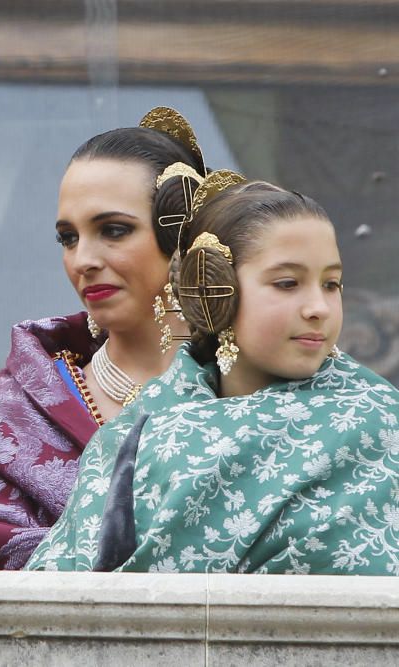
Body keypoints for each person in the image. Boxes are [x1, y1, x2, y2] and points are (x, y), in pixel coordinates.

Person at [26, 176, 399, 575]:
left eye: (331, 284)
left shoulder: (377, 424)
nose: (319, 307)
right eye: (287, 283)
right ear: (211, 289)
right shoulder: (133, 436)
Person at [0, 108, 205, 569]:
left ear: (183, 233)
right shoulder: (18, 407)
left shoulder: (255, 384)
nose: (83, 259)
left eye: (113, 230)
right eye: (67, 237)